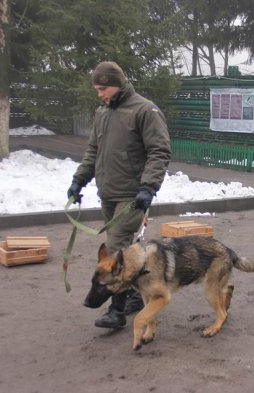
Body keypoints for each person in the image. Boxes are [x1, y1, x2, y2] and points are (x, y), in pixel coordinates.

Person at [67, 61, 171, 328]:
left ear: (118, 83)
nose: (99, 94)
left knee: (116, 249)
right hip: (108, 193)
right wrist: (79, 180)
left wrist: (148, 186)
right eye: (97, 89)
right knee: (126, 249)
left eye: (103, 88)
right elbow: (94, 150)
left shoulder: (145, 109)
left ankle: (117, 311)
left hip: (132, 195)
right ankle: (137, 294)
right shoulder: (102, 112)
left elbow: (159, 151)